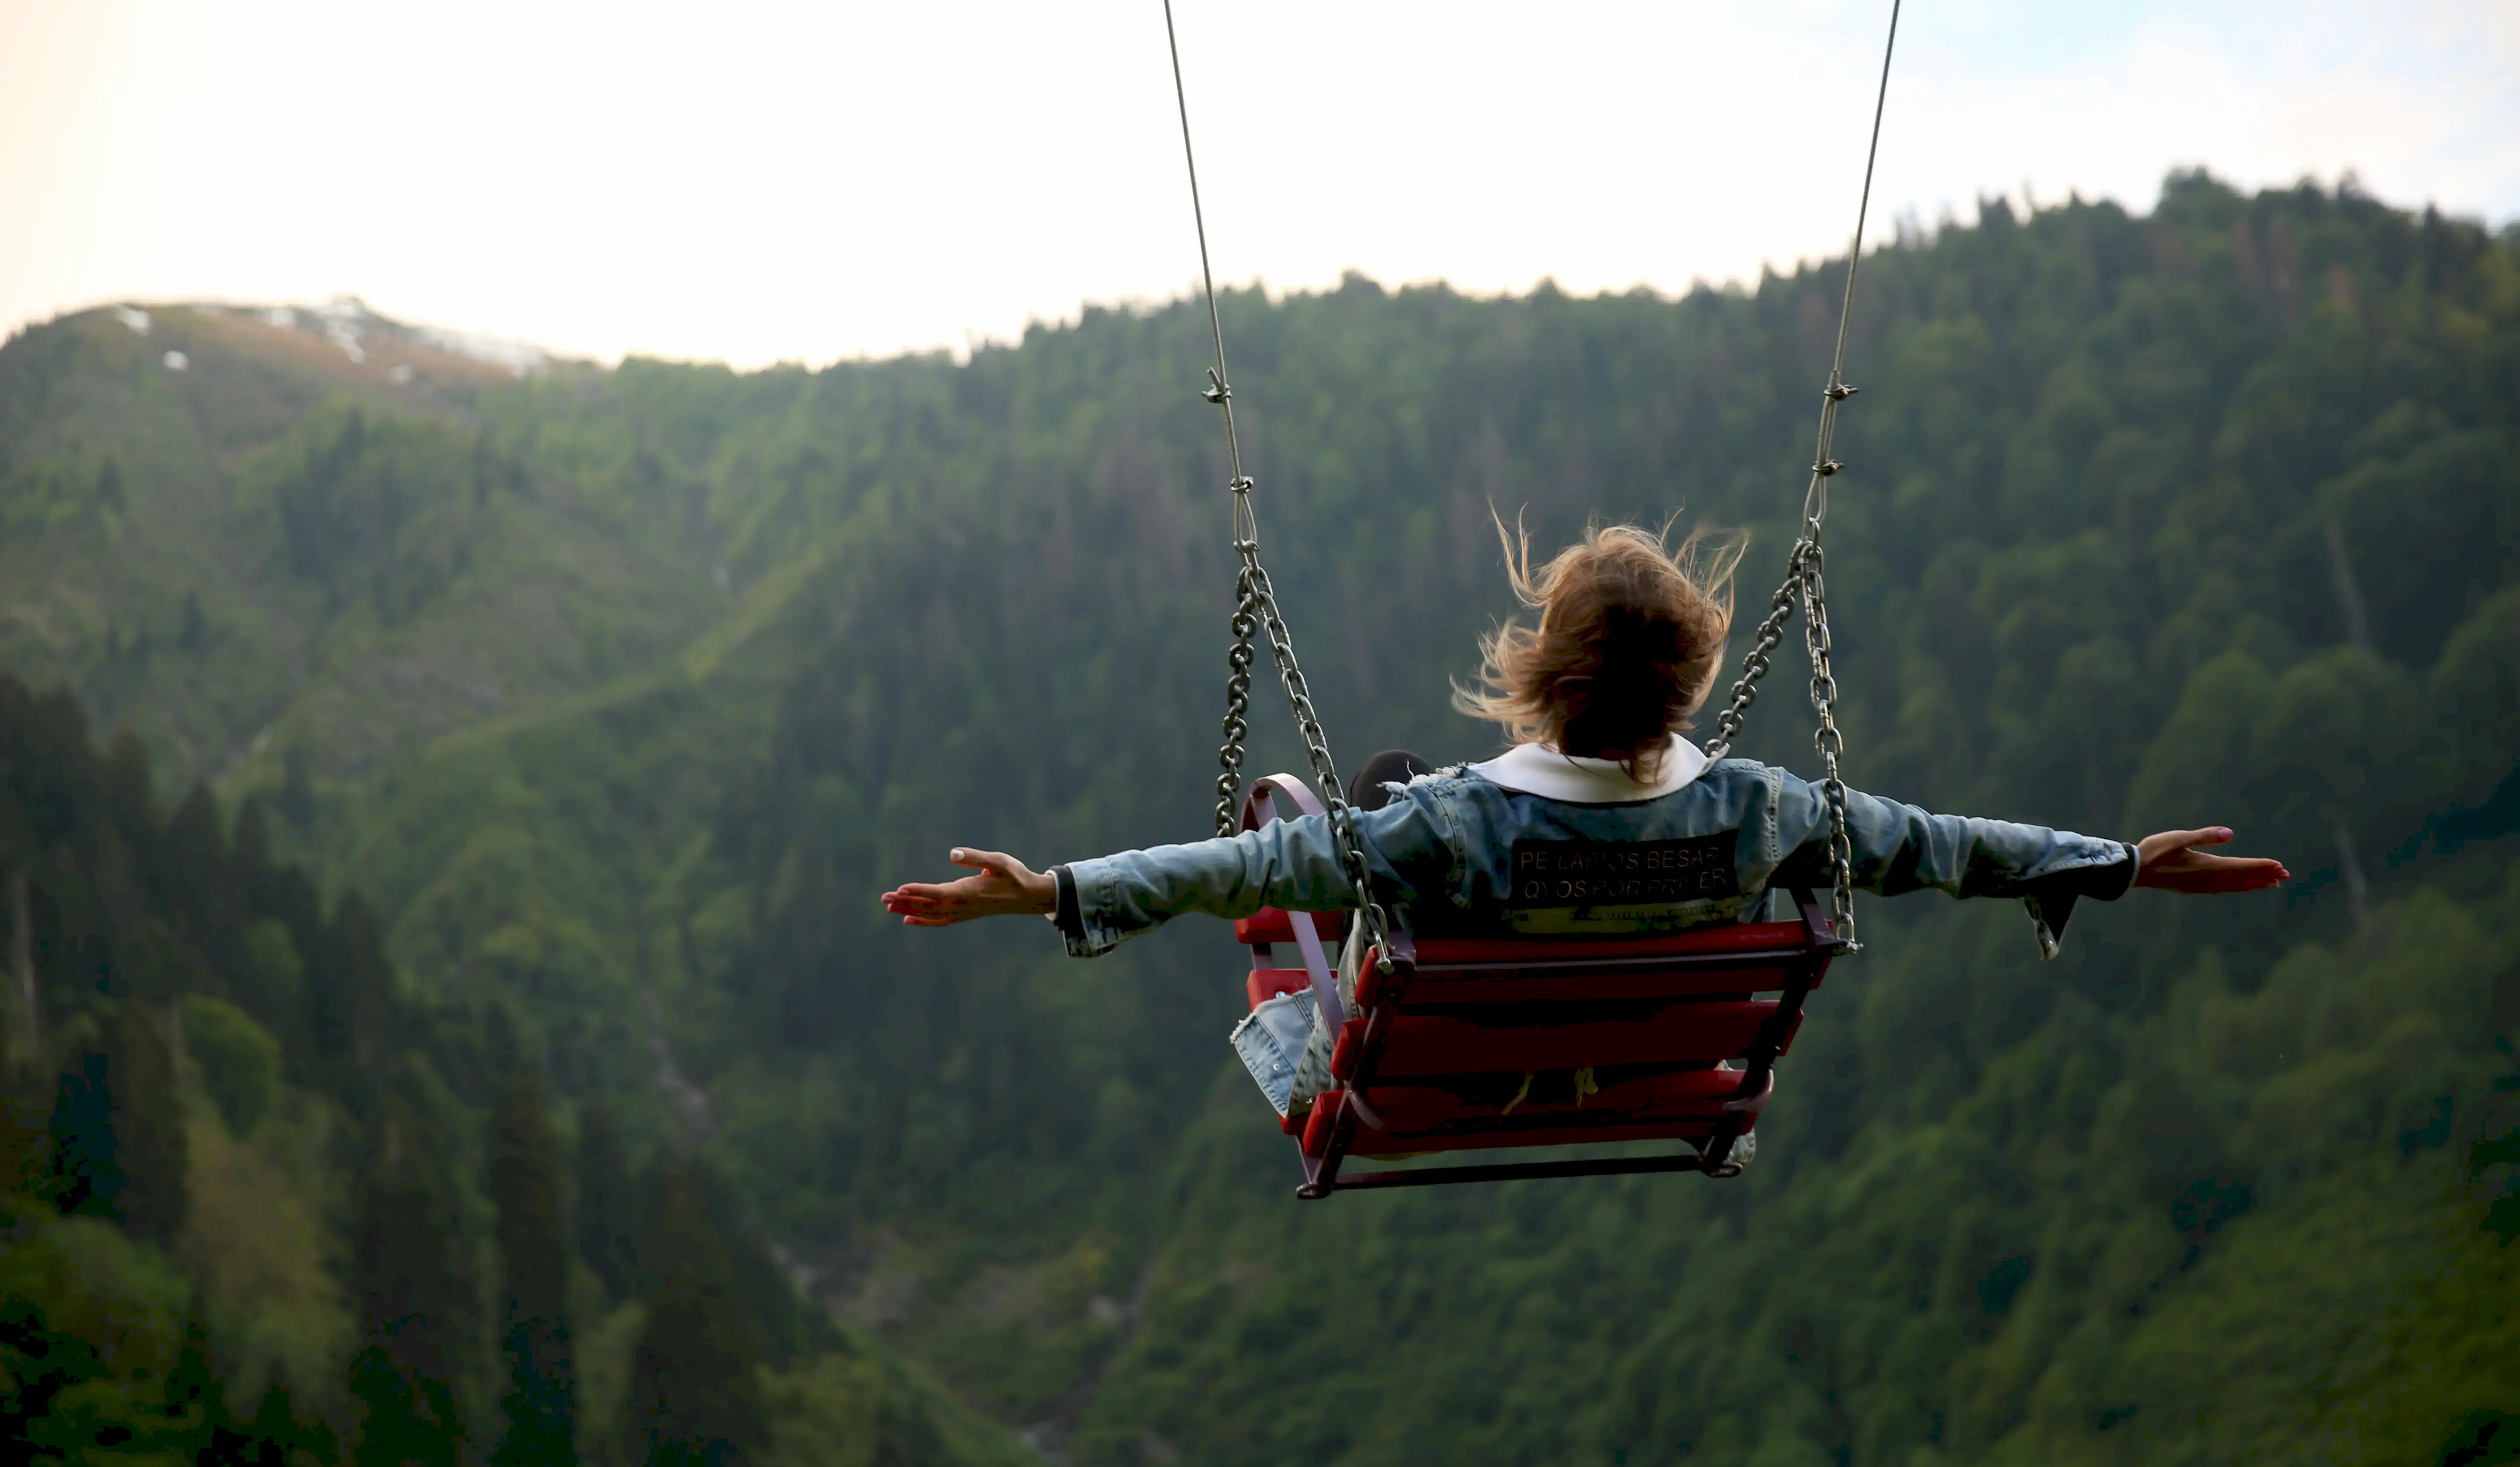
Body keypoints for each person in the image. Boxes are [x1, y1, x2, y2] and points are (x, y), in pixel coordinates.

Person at [881, 520, 2287, 1148]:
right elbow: (1935, 842)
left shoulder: (1446, 826)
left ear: (1537, 674)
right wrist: (2107, 858)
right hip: (1659, 1072)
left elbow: (1241, 867)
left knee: (1330, 828)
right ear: (1690, 679)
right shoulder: (1764, 811)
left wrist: (1046, 891)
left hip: (1440, 1091)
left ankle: (1307, 1032)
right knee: (1373, 813)